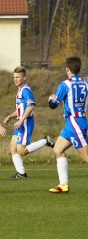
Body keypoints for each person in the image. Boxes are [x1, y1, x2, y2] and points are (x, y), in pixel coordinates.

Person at [4, 66, 54, 178]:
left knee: (21, 151)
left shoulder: (26, 90)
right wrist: (10, 116)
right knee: (13, 148)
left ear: (24, 78)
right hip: (20, 123)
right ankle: (21, 173)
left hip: (26, 123)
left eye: (18, 77)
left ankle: (45, 141)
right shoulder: (20, 90)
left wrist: (21, 121)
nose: (15, 79)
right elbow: (21, 109)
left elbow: (31, 106)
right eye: (14, 77)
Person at [48, 56, 88, 193]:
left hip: (74, 123)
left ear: (67, 69)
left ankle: (63, 184)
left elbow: (53, 105)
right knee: (58, 150)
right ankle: (63, 184)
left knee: (86, 157)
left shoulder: (65, 84)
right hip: (74, 121)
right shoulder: (85, 84)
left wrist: (51, 99)